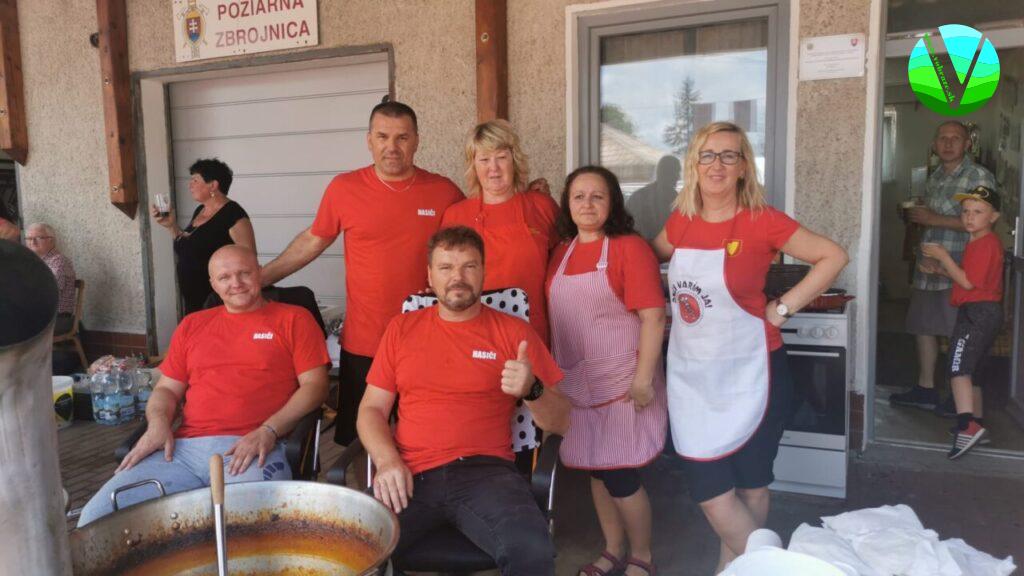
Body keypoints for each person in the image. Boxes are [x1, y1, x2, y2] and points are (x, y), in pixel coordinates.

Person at [651, 122, 848, 571]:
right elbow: (646, 256)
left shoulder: (762, 220)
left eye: (729, 155)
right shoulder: (682, 220)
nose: (716, 164)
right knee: (709, 488)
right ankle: (774, 567)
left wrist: (783, 308)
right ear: (694, 164)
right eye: (707, 154)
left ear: (743, 167)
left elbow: (833, 255)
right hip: (693, 379)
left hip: (754, 372)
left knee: (753, 484)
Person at [358, 226, 570, 576]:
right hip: (409, 473)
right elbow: (371, 410)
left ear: (483, 271)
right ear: (430, 276)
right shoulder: (400, 329)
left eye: (469, 266)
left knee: (532, 552)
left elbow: (561, 421)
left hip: (487, 475)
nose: (457, 277)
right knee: (349, 544)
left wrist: (532, 389)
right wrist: (386, 460)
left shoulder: (514, 333)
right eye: (446, 267)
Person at [77, 245, 329, 526]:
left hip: (252, 447)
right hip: (181, 452)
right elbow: (166, 390)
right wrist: (158, 424)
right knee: (97, 517)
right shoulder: (192, 325)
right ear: (213, 284)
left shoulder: (294, 319)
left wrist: (269, 430)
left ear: (260, 273)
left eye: (245, 273)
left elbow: (315, 386)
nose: (236, 283)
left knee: (249, 531)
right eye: (225, 277)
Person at [261, 100, 462, 448]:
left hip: (427, 341)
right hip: (365, 342)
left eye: (402, 137)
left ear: (417, 141)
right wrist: (260, 278)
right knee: (356, 444)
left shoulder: (443, 192)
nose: (392, 146)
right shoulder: (345, 188)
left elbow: (473, 241)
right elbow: (313, 240)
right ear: (369, 140)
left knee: (428, 440)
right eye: (383, 136)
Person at [547, 166, 667, 576]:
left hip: (623, 382)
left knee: (620, 473)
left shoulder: (629, 248)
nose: (587, 204)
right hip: (579, 383)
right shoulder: (561, 253)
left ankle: (643, 556)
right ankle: (613, 549)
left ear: (612, 202)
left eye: (597, 196)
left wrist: (644, 380)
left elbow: (653, 317)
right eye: (578, 196)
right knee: (596, 471)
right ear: (567, 203)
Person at [890, 121, 996, 413]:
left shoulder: (978, 176)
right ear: (934, 144)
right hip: (929, 265)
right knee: (923, 326)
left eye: (955, 138)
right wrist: (918, 218)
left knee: (957, 334)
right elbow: (932, 218)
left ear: (967, 144)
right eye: (943, 138)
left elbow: (982, 223)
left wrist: (932, 219)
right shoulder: (935, 175)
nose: (948, 144)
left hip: (959, 268)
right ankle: (926, 390)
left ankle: (957, 399)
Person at [441, 119, 559, 345]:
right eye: (484, 159)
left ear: (514, 160)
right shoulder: (456, 215)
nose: (493, 168)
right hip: (474, 333)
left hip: (532, 330)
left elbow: (563, 271)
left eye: (501, 157)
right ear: (474, 166)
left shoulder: (541, 206)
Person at [919, 186, 1004, 459]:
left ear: (993, 217)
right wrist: (942, 271)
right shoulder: (982, 242)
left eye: (978, 212)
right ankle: (977, 424)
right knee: (973, 371)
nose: (969, 217)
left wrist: (943, 256)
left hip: (977, 314)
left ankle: (967, 426)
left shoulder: (984, 244)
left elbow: (967, 283)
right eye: (966, 211)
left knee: (958, 368)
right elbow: (972, 280)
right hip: (985, 311)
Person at [152, 158, 256, 315]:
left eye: (195, 180)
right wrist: (171, 225)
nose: (190, 185)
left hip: (218, 302)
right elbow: (189, 244)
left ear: (213, 185)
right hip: (193, 301)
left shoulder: (233, 214)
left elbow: (249, 259)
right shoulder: (200, 210)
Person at [25, 223, 77, 334]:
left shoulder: (58, 261)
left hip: (57, 318)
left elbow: (50, 291)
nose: (32, 242)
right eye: (29, 238)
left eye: (38, 238)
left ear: (51, 240)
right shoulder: (33, 262)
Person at [627, 155, 682, 241]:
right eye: (676, 172)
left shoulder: (638, 196)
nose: (678, 177)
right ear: (666, 173)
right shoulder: (639, 198)